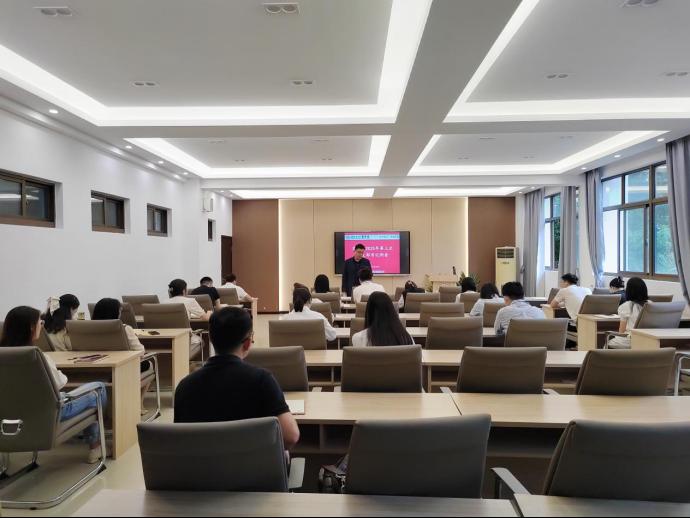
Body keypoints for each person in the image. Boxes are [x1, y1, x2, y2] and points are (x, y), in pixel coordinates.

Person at [174, 307, 299, 449]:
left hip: (203, 463)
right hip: (253, 463)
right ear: (247, 343)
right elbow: (291, 436)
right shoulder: (262, 380)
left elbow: (180, 440)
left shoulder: (185, 386)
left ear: (211, 339)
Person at [0, 306, 107, 464]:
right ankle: (95, 446)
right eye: (40, 322)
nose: (42, 325)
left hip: (9, 416)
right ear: (31, 327)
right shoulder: (36, 357)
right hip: (49, 414)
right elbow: (60, 383)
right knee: (99, 388)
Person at [92, 298, 153, 414]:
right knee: (149, 363)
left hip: (97, 369)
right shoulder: (125, 328)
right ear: (115, 312)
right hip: (122, 369)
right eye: (119, 311)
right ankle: (139, 404)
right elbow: (140, 351)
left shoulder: (88, 328)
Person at [607, 277, 649, 349]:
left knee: (608, 342)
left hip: (630, 340)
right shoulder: (651, 304)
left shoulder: (626, 306)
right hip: (648, 339)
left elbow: (621, 332)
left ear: (629, 291)